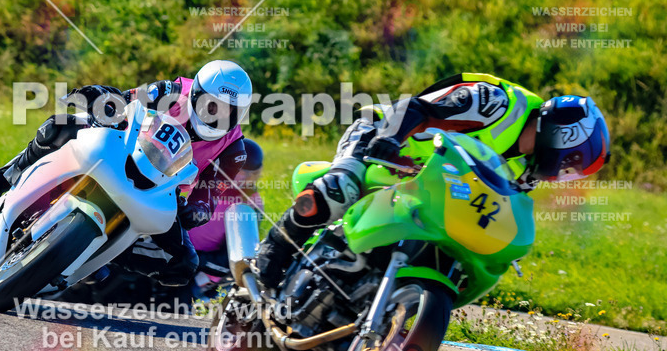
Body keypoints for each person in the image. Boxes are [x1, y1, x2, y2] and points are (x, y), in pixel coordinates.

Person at [255, 72, 611, 289]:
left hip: (420, 182)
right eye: (572, 161)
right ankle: (272, 253)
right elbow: (417, 108)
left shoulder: (522, 171)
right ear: (563, 134)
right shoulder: (497, 104)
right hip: (383, 138)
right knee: (340, 188)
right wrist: (388, 140)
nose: (565, 172)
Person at [0, 60, 254, 287]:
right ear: (195, 94)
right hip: (118, 152)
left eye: (227, 110)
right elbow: (123, 101)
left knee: (183, 265)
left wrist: (197, 210)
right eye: (211, 104)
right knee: (59, 125)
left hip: (160, 193)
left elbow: (210, 195)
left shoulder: (234, 151)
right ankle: (6, 176)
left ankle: (102, 254)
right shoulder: (169, 91)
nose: (216, 115)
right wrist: (98, 97)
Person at [187, 138, 265, 294]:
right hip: (180, 248)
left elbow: (232, 255)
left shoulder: (249, 204)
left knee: (179, 296)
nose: (241, 179)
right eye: (236, 172)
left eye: (247, 175)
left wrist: (196, 259)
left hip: (205, 269)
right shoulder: (208, 183)